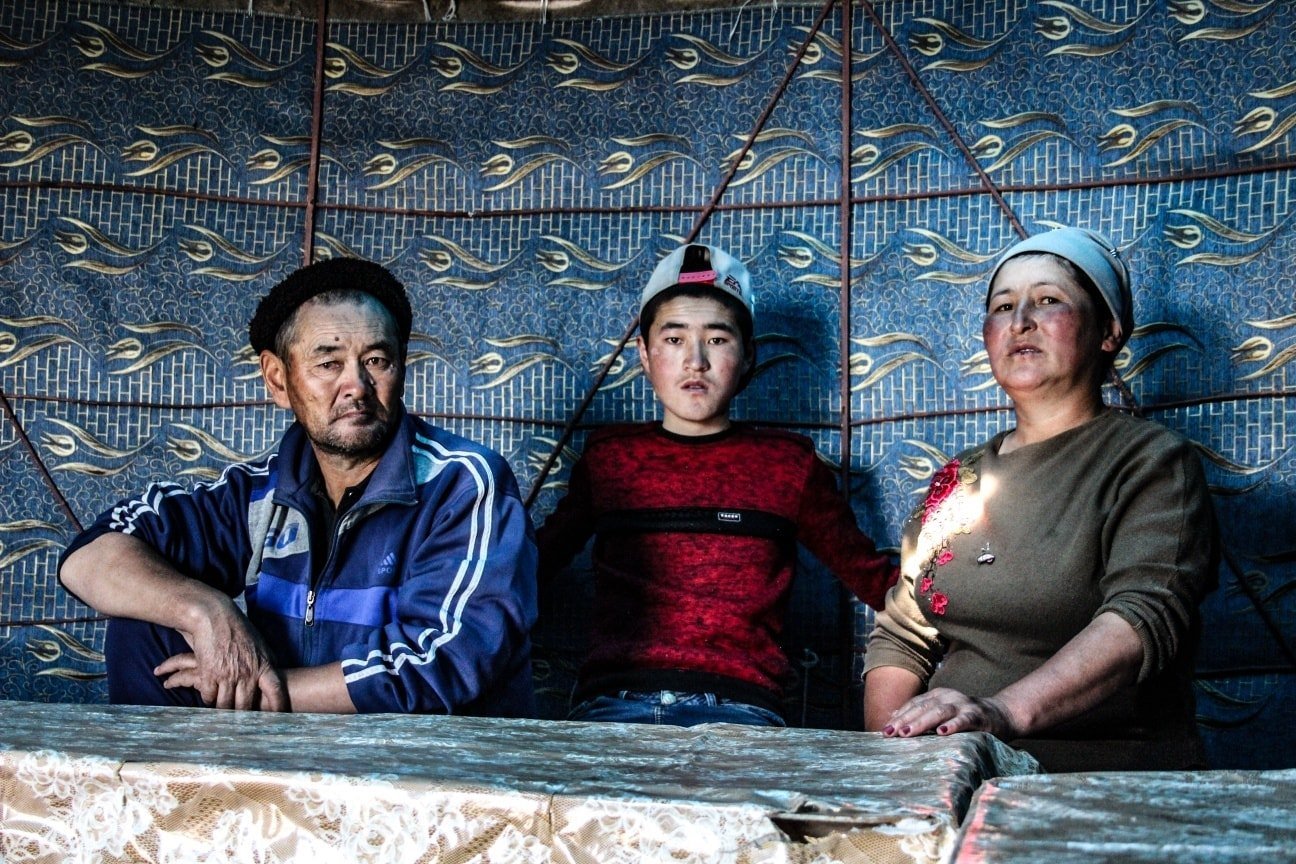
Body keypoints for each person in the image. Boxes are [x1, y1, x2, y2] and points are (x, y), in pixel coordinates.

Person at [59, 257, 538, 716]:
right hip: (288, 759)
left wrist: (268, 690)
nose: (357, 386)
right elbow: (91, 557)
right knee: (146, 617)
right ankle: (171, 794)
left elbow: (447, 658)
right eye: (328, 364)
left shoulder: (464, 484)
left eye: (377, 360)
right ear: (278, 380)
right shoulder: (256, 493)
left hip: (425, 772)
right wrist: (205, 610)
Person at [863, 227, 1218, 771]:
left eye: (1048, 300)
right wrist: (891, 758)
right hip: (954, 766)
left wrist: (1000, 713)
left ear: (1108, 331)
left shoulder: (1152, 462)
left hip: (1095, 772)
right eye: (1003, 306)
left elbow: (1141, 616)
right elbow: (903, 633)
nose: (1020, 320)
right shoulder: (960, 478)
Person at [536, 243, 897, 727]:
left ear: (747, 356)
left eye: (718, 339)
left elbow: (877, 581)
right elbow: (525, 573)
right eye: (674, 339)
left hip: (741, 711)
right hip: (615, 705)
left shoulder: (788, 465)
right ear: (644, 354)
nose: (696, 361)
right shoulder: (609, 460)